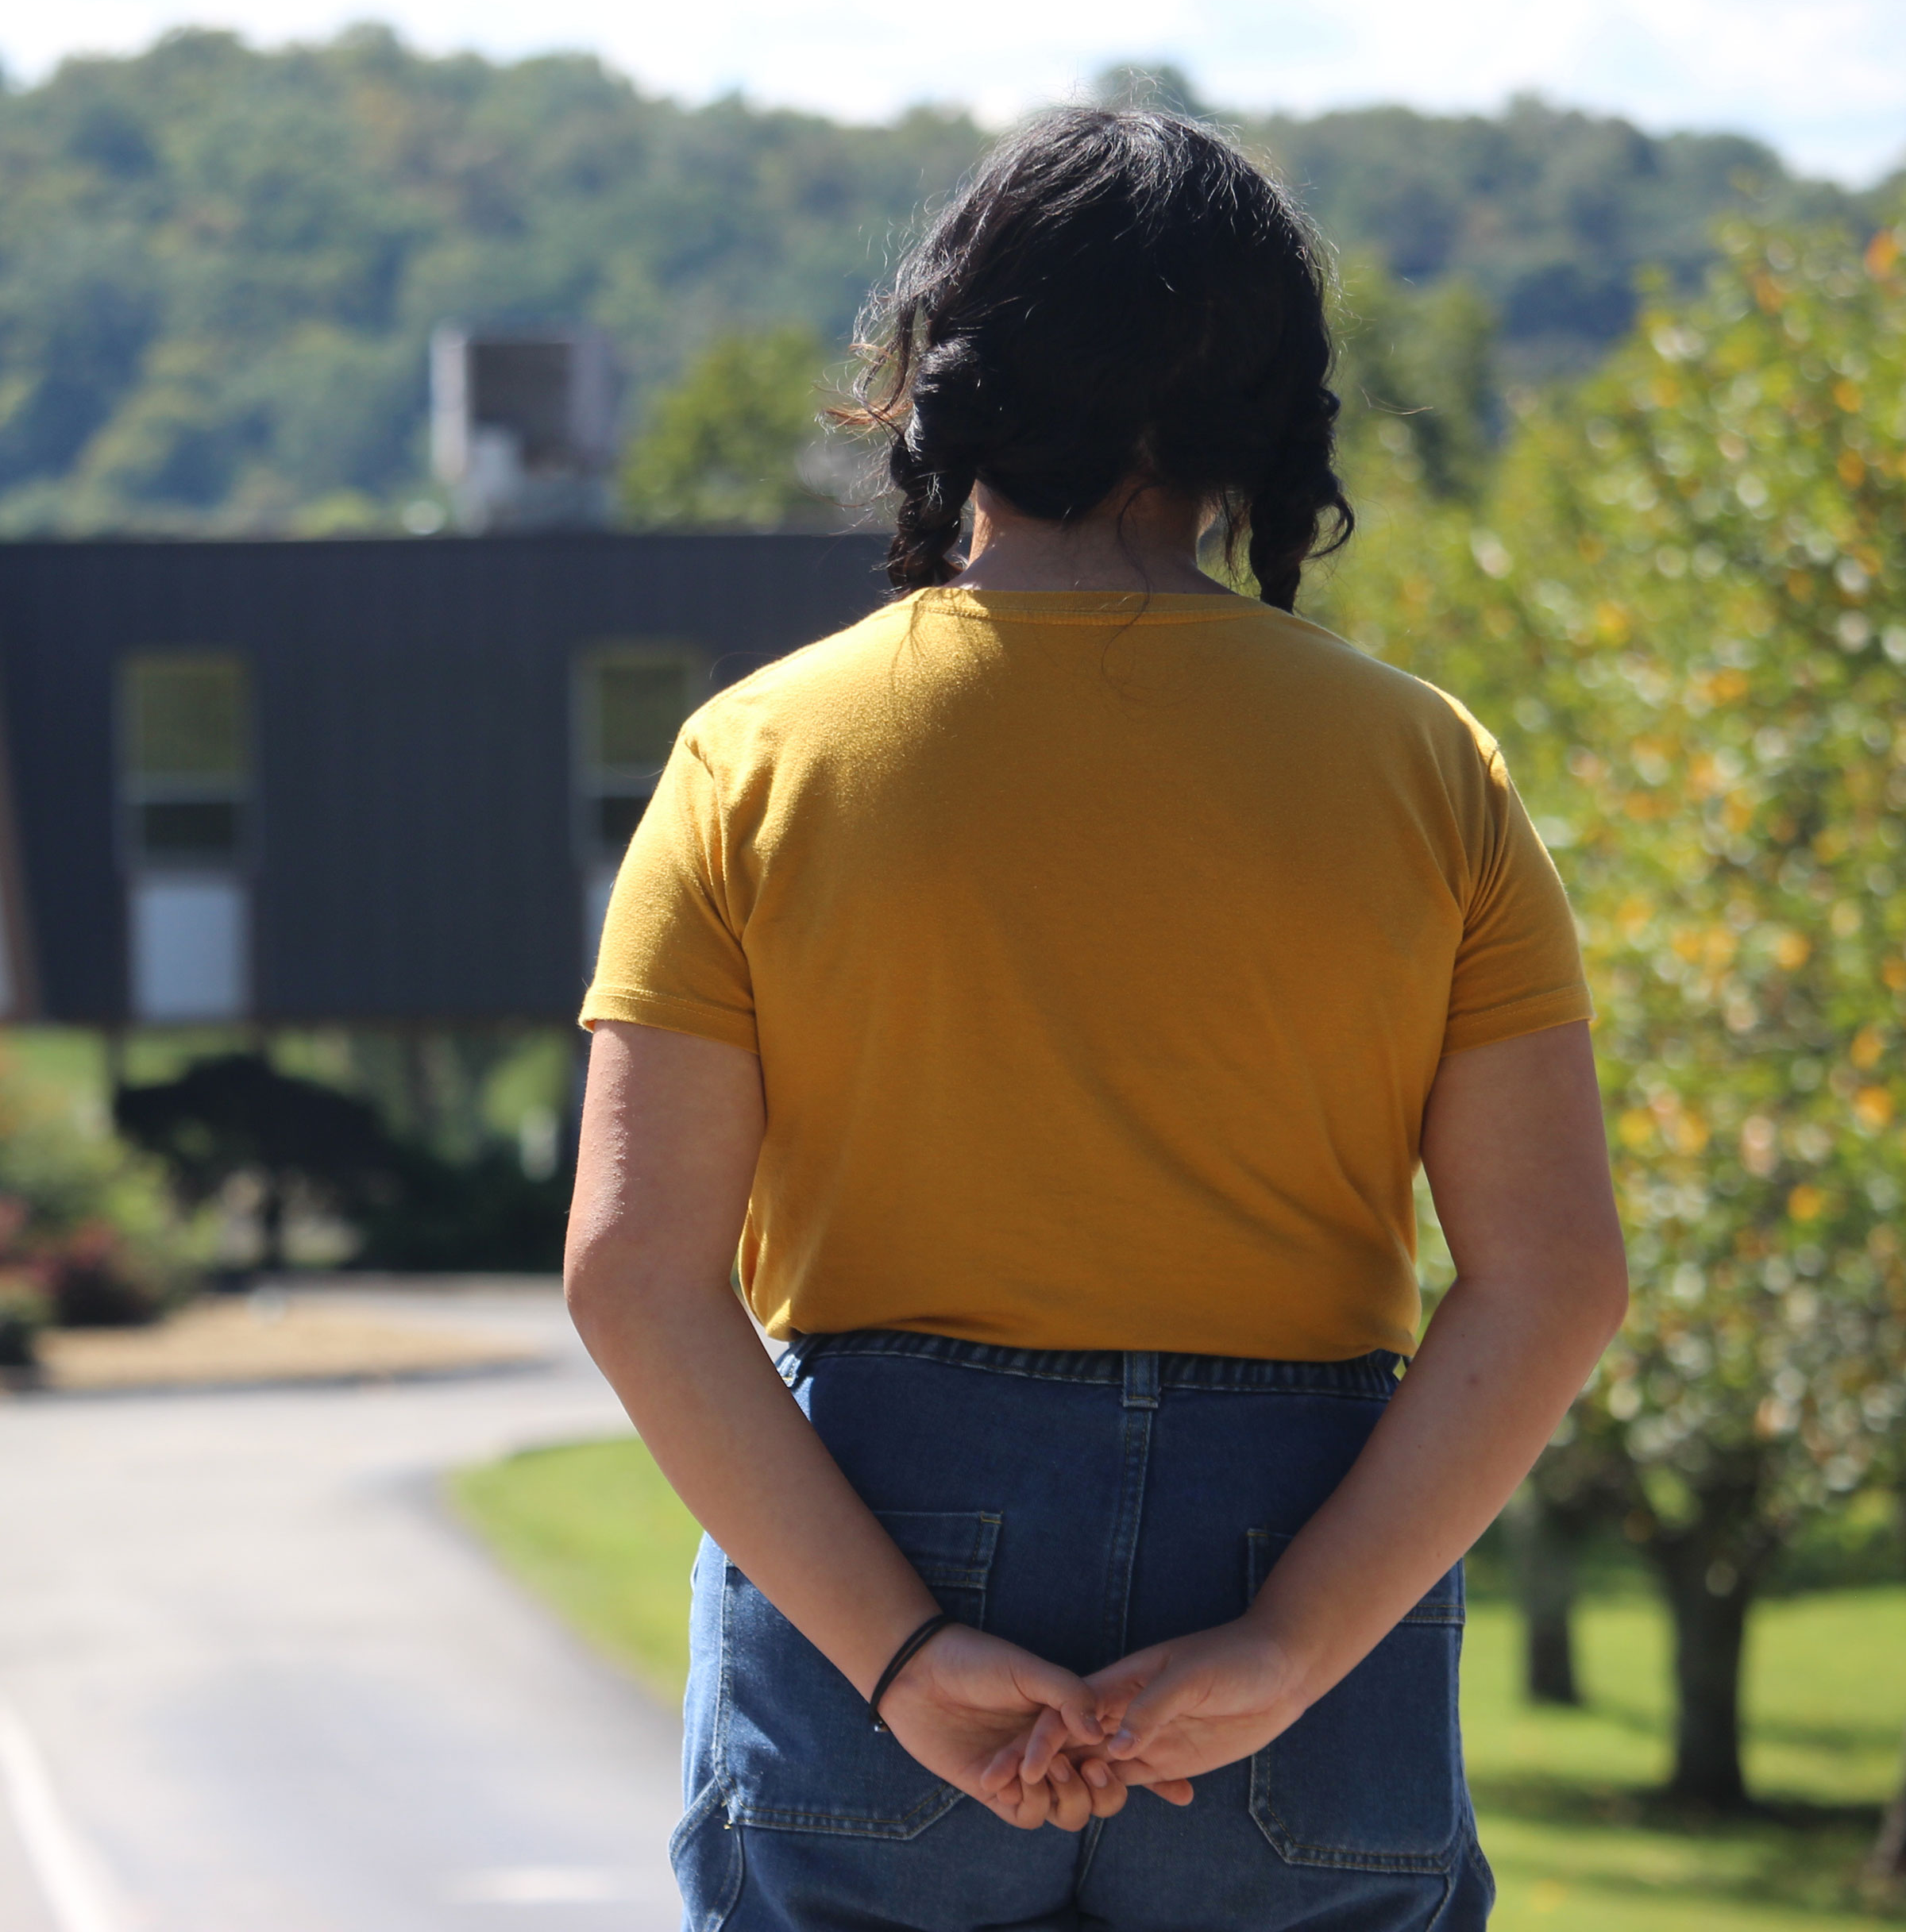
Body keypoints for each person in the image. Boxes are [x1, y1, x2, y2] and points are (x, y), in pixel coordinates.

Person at [565, 106, 1629, 1931]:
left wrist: (901, 1654)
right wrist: (1293, 1642)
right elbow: (1554, 1277)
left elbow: (632, 1272)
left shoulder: (756, 754)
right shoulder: (1426, 765)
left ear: (942, 374)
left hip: (870, 1567)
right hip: (1306, 1589)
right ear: (1270, 414)